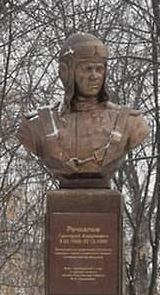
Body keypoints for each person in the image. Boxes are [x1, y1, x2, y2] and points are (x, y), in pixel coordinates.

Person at [17, 32, 149, 188]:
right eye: (87, 69)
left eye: (99, 69)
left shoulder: (130, 123)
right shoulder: (37, 125)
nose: (95, 76)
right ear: (66, 72)